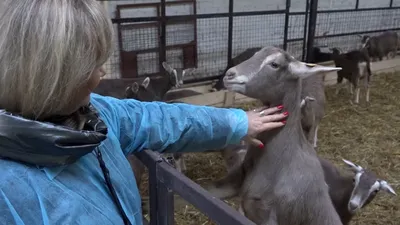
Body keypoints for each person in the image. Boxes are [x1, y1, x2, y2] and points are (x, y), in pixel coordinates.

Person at [0, 1, 288, 225]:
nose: (103, 72)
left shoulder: (94, 114)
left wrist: (237, 122)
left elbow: (159, 120)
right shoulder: (10, 192)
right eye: (92, 64)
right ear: (51, 76)